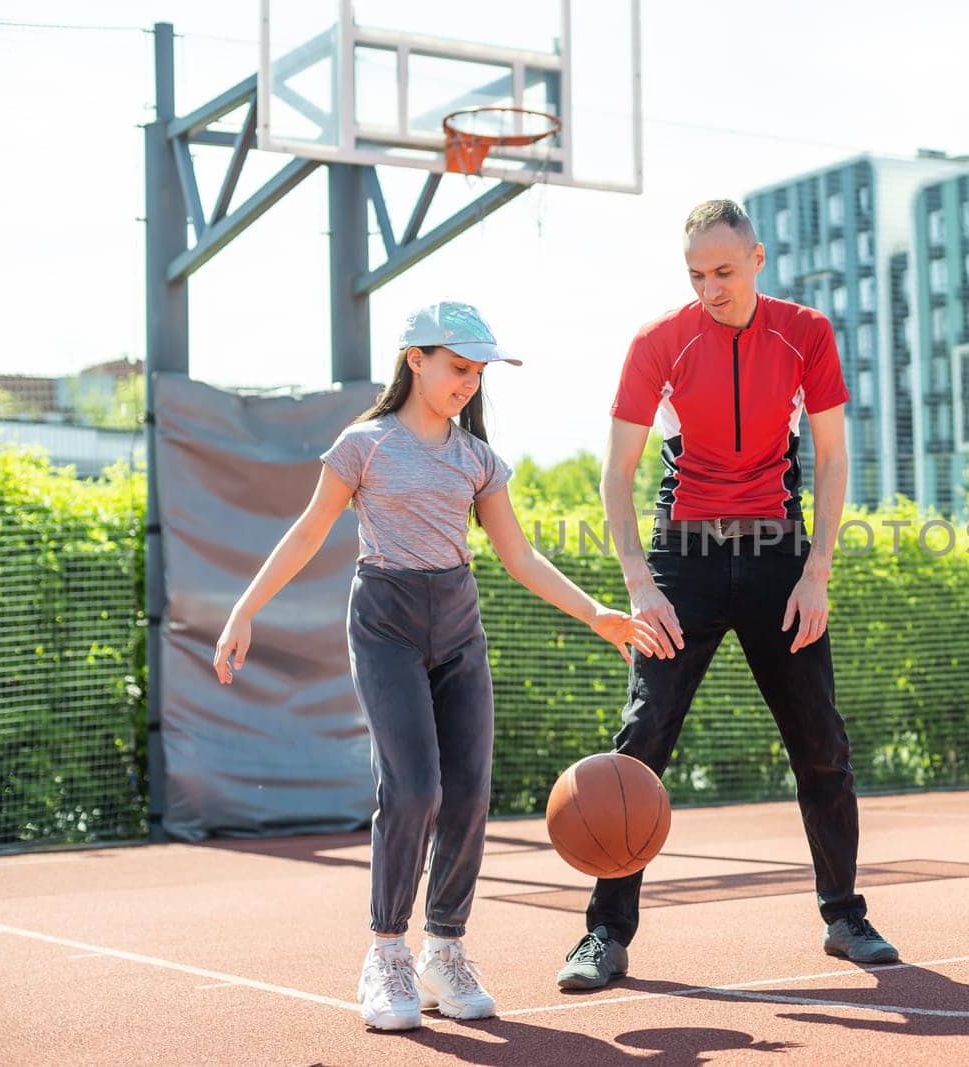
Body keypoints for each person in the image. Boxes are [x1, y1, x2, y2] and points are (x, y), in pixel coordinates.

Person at [211, 301, 663, 1030]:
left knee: (468, 793)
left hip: (457, 626)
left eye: (478, 372)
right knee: (413, 787)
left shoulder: (477, 458)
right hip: (385, 622)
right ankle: (387, 951)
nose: (468, 383)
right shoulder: (364, 445)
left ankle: (443, 949)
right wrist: (245, 608)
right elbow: (307, 531)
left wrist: (597, 613)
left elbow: (519, 556)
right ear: (414, 358)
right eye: (458, 367)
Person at [555, 200, 899, 992]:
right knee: (641, 740)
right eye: (695, 275)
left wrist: (817, 573)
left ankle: (845, 915)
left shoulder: (806, 332)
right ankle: (604, 935)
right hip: (684, 560)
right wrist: (641, 584)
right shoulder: (657, 342)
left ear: (757, 259)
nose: (710, 288)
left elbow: (835, 456)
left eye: (723, 271)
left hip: (781, 555)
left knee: (822, 741)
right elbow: (618, 474)